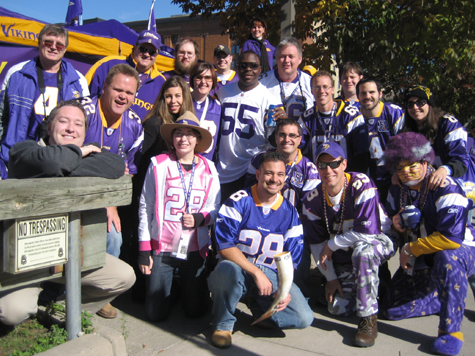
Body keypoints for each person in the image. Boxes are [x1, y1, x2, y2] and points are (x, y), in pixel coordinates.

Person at [0, 100, 135, 325]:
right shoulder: (24, 150)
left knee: (123, 277)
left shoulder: (93, 153)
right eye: (63, 121)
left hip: (70, 255)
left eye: (78, 124)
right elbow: (50, 162)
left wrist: (61, 163)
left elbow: (114, 165)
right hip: (27, 260)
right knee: (12, 313)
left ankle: (58, 310)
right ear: (49, 127)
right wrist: (78, 154)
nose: (71, 128)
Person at [208, 151, 314, 348]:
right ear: (258, 175)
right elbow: (224, 246)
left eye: (280, 174)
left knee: (303, 317)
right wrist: (256, 272)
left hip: (270, 273)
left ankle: (258, 306)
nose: (274, 179)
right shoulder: (239, 200)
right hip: (238, 268)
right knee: (225, 269)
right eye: (268, 173)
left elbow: (291, 258)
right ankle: (223, 323)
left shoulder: (290, 212)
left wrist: (284, 289)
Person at [382, 132, 475, 356]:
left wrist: (408, 249)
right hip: (421, 257)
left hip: (459, 251)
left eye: (411, 165)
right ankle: (439, 297)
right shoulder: (397, 189)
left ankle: (450, 331)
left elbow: (451, 239)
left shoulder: (445, 185)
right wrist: (395, 223)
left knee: (448, 258)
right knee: (391, 310)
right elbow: (390, 220)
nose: (405, 171)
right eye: (399, 167)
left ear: (425, 161)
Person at [301, 142, 394, 348]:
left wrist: (332, 245)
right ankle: (372, 286)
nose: (328, 170)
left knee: (364, 254)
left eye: (333, 163)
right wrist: (331, 278)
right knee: (337, 307)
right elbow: (317, 245)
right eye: (322, 165)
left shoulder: (361, 183)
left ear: (344, 163)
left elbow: (367, 232)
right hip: (345, 254)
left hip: (378, 240)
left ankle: (368, 319)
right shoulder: (313, 199)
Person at [138, 111, 220, 322]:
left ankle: (189, 290)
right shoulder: (158, 164)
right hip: (162, 248)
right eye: (179, 134)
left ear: (198, 139)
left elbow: (215, 205)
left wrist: (201, 218)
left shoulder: (209, 168)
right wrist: (144, 248)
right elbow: (145, 205)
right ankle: (172, 289)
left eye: (190, 134)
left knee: (195, 311)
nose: (184, 139)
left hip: (194, 247)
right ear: (172, 138)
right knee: (155, 314)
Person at [0, 24, 89, 179]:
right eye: (48, 42)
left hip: (58, 163)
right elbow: (2, 116)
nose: (54, 47)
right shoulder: (16, 73)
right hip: (17, 161)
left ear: (65, 48)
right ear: (39, 43)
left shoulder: (78, 80)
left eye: (59, 44)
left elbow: (85, 123)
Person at [245, 119, 320, 296]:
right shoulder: (259, 160)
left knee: (294, 287)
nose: (287, 139)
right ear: (276, 137)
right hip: (259, 225)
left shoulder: (310, 170)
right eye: (282, 135)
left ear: (300, 139)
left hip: (291, 231)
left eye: (292, 135)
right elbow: (247, 195)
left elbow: (309, 213)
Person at [80, 63, 143, 258]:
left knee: (114, 237)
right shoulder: (81, 113)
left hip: (105, 199)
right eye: (117, 89)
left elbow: (129, 172)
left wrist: (112, 205)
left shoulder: (135, 124)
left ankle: (103, 286)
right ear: (105, 86)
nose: (123, 96)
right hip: (73, 193)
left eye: (129, 92)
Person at [216, 51, 282, 202]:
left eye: (253, 66)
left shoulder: (269, 98)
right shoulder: (223, 92)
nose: (248, 69)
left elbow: (272, 141)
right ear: (237, 67)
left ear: (260, 69)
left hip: (251, 170)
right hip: (223, 169)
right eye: (243, 65)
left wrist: (280, 124)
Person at [402, 85, 475, 195]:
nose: (415, 107)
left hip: (460, 188)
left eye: (420, 102)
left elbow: (461, 160)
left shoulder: (449, 124)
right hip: (429, 191)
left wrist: (445, 170)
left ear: (429, 104)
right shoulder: (407, 131)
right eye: (410, 104)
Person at [85, 30, 167, 121]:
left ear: (157, 54)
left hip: (136, 133)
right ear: (135, 47)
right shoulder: (107, 64)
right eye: (143, 49)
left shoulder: (161, 82)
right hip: (98, 127)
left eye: (152, 52)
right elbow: (84, 94)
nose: (147, 54)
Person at [298, 70, 369, 173]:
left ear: (333, 89)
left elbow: (362, 155)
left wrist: (351, 179)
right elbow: (297, 149)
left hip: (346, 177)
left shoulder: (350, 115)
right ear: (312, 91)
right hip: (318, 179)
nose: (321, 91)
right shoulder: (306, 118)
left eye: (325, 87)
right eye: (317, 87)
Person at [356, 77, 405, 203]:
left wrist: (399, 171)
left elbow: (406, 147)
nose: (367, 96)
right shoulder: (354, 116)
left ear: (380, 93)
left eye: (372, 92)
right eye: (363, 93)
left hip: (393, 178)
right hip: (366, 180)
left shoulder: (393, 113)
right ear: (358, 96)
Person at [260, 37, 315, 121]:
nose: (286, 60)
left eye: (291, 56)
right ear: (276, 59)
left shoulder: (311, 83)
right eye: (282, 56)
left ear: (300, 59)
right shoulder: (262, 82)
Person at [190, 62, 221, 161]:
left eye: (208, 78)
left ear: (213, 81)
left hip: (205, 165)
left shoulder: (218, 106)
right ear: (192, 80)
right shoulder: (183, 102)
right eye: (199, 77)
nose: (203, 81)